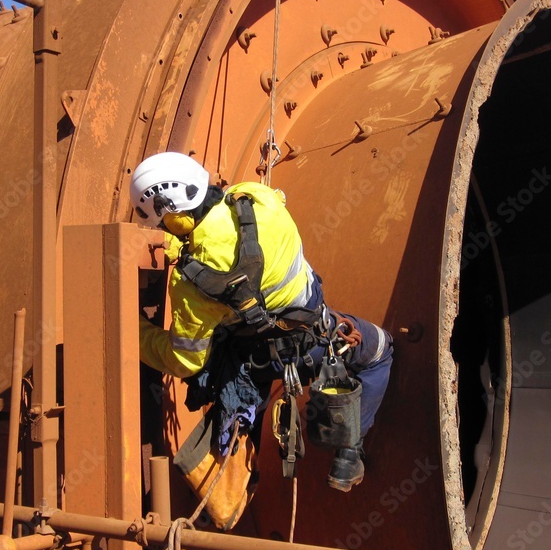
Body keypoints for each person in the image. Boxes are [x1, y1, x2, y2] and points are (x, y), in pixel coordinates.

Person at [134, 151, 392, 492]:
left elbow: (183, 361)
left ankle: (240, 474)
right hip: (312, 342)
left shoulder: (191, 284)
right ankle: (349, 454)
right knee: (380, 352)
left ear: (175, 219)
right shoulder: (257, 198)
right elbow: (235, 228)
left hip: (255, 359)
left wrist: (136, 333)